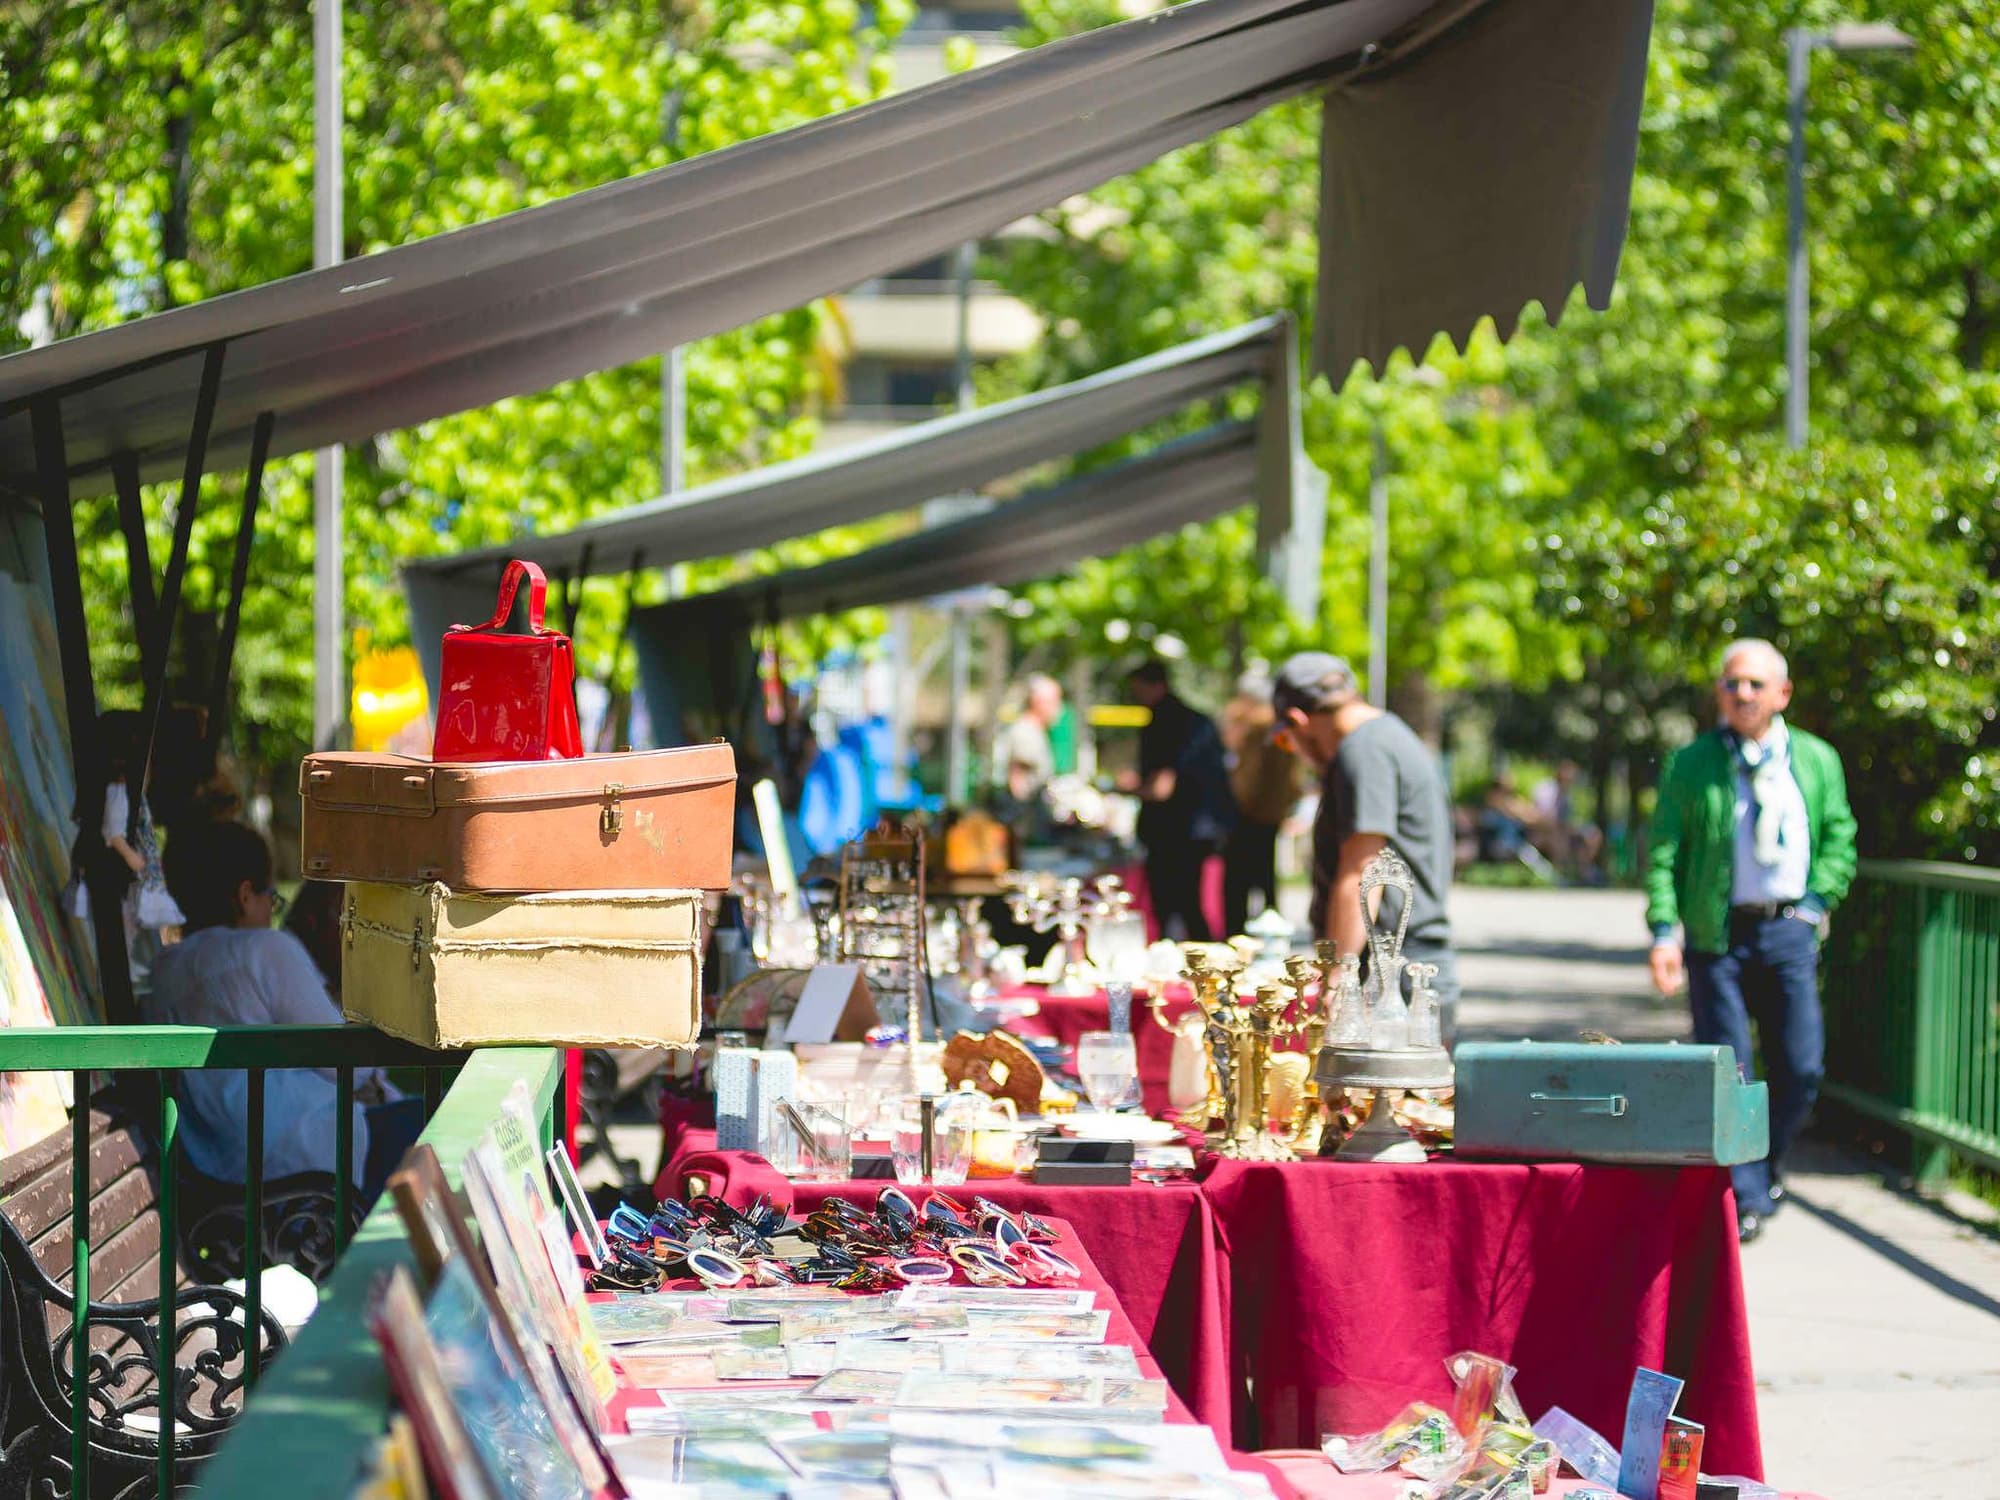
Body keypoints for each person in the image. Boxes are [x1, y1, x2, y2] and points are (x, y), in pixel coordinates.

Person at [1645, 639, 1856, 1245]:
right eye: (1732, 684)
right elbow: (1665, 851)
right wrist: (1664, 929)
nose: (1743, 694)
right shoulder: (1693, 764)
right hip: (1718, 934)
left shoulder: (1815, 760)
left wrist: (1816, 907)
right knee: (1729, 1072)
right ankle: (1746, 1194)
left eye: (1756, 685)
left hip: (1789, 930)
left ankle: (1768, 1165)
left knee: (1801, 1066)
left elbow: (1840, 836)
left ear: (1781, 694)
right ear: (1720, 692)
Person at [147, 821, 423, 1203]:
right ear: (245, 895)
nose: (271, 911)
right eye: (270, 899)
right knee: (440, 1122)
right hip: (296, 1153)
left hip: (215, 1161)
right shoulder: (262, 949)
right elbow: (349, 1062)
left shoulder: (164, 969)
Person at [1271, 652, 1460, 1039]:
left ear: (1297, 720)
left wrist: (1338, 977)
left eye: (1286, 743)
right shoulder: (1387, 735)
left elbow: (1361, 870)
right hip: (1402, 973)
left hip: (1394, 981)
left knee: (1392, 1099)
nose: (1299, 756)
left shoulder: (1363, 750)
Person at [1128, 658, 1233, 942]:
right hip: (1198, 827)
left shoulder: (1166, 721)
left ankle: (1185, 969)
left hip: (1175, 829)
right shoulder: (1196, 720)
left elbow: (1161, 788)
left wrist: (1126, 790)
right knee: (1190, 905)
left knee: (1175, 908)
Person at [1219, 669, 1300, 936]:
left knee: (1241, 882)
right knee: (1265, 877)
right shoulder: (1275, 727)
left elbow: (1250, 775)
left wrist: (1241, 802)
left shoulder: (1259, 728)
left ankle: (1241, 935)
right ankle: (1268, 928)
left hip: (1252, 812)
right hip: (1268, 811)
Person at [992, 674, 1062, 803]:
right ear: (1038, 702)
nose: (1059, 708)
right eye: (1055, 701)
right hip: (1025, 813)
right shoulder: (1025, 732)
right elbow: (1017, 782)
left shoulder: (1035, 730)